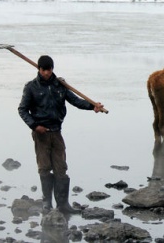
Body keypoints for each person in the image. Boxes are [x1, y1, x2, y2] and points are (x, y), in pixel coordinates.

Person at [18, 55, 104, 214]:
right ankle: (47, 204)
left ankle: (63, 204)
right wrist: (35, 126)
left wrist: (93, 107)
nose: (47, 73)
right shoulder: (31, 87)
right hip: (40, 134)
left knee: (61, 168)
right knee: (44, 168)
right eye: (44, 70)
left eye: (49, 70)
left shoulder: (60, 85)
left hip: (56, 132)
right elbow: (22, 110)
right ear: (39, 69)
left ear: (52, 69)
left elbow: (76, 101)